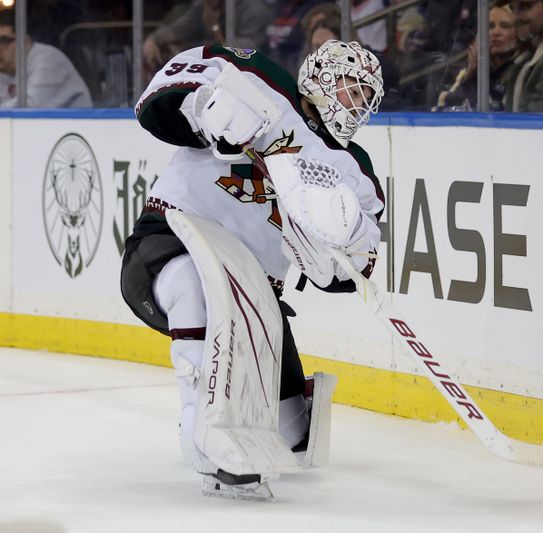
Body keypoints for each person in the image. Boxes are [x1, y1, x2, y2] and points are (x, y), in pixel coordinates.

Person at [121, 39, 385, 499]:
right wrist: (201, 106)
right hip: (170, 240)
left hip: (253, 296)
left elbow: (353, 269)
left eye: (365, 97)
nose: (356, 104)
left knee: (291, 435)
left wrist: (335, 241)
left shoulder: (354, 170)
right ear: (320, 76)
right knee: (194, 284)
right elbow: (154, 99)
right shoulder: (254, 75)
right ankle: (201, 428)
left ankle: (271, 414)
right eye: (349, 89)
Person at [142, 0, 272, 78]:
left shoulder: (253, 9)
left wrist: (214, 28)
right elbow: (182, 27)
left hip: (252, 78)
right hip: (217, 73)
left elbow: (243, 54)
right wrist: (154, 39)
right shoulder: (205, 5)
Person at [433, 0, 518, 111]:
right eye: (490, 26)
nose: (496, 32)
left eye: (505, 26)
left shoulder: (519, 72)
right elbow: (444, 108)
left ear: (517, 33)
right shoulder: (469, 72)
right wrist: (470, 74)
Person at [0, 9, 92, 107]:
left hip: (77, 122)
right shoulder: (6, 71)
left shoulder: (48, 60)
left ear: (25, 42)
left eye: (4, 41)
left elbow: (29, 108)